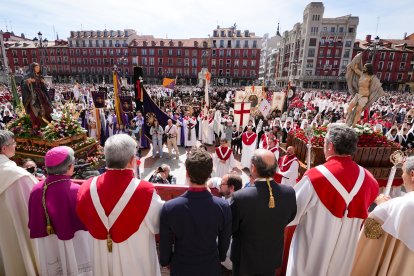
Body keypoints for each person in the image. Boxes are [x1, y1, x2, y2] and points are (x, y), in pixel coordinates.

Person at [286, 123, 379, 276]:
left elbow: (290, 213)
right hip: (344, 254)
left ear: (330, 146)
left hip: (311, 252)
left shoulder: (316, 176)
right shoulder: (369, 180)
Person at [77, 134, 164, 275]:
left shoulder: (87, 187)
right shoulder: (144, 191)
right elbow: (159, 221)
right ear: (132, 161)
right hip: (135, 261)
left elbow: (83, 217)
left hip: (101, 258)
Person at [159, 147, 232, 276]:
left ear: (187, 173)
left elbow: (165, 248)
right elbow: (224, 244)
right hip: (210, 267)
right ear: (210, 173)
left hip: (181, 267)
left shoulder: (170, 208)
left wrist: (167, 262)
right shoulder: (223, 206)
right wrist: (218, 258)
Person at [231, 149, 297, 276]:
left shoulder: (240, 197)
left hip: (244, 258)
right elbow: (290, 217)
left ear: (253, 168)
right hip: (271, 257)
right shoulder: (289, 193)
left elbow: (232, 227)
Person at [28, 146, 93, 275]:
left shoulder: (36, 190)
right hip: (76, 241)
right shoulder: (77, 190)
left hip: (49, 244)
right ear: (70, 167)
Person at [351, 156, 414, 276]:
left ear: (412, 174)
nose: (401, 177)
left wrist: (382, 207)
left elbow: (370, 238)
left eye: (403, 172)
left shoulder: (399, 206)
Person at [0, 130, 39, 275]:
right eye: (13, 143)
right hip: (17, 227)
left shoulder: (17, 173)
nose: (15, 145)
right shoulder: (19, 175)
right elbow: (37, 198)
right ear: (4, 148)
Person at [346, 53, 385, 127]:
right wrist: (357, 57)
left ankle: (353, 125)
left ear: (368, 69)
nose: (363, 68)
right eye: (363, 67)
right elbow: (355, 68)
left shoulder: (372, 77)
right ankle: (350, 119)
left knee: (358, 111)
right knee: (349, 108)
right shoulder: (361, 74)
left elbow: (376, 86)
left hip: (364, 97)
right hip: (358, 95)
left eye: (365, 67)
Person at [21, 62, 53, 129]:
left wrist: (44, 83)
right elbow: (23, 84)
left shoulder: (40, 76)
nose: (38, 68)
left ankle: (48, 123)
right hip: (33, 96)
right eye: (36, 67)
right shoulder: (28, 76)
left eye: (39, 67)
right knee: (36, 110)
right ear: (33, 68)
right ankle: (37, 127)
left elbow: (43, 87)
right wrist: (28, 82)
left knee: (47, 108)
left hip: (41, 94)